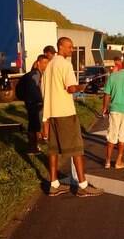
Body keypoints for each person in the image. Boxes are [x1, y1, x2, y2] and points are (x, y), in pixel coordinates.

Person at [41, 37, 103, 197]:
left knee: (53, 150)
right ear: (60, 47)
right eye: (69, 47)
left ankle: (54, 185)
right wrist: (81, 86)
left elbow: (44, 91)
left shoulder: (49, 66)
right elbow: (70, 89)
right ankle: (83, 186)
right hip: (65, 113)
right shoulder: (65, 64)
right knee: (77, 149)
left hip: (51, 113)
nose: (72, 50)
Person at [23, 54, 49, 154]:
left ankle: (34, 146)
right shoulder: (35, 74)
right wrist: (39, 101)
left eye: (47, 63)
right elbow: (33, 90)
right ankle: (32, 148)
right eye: (44, 63)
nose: (46, 65)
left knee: (34, 126)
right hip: (34, 104)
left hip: (33, 103)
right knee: (34, 126)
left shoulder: (38, 73)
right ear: (38, 63)